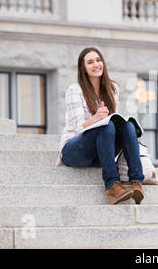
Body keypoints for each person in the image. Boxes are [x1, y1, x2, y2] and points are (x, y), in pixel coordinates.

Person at [57, 46, 145, 205]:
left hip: (101, 151)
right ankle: (112, 185)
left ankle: (137, 181)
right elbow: (77, 128)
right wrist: (96, 118)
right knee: (106, 126)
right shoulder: (74, 90)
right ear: (83, 68)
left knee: (128, 127)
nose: (96, 64)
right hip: (74, 151)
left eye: (98, 60)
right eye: (90, 62)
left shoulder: (113, 89)